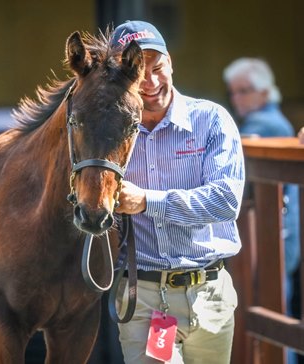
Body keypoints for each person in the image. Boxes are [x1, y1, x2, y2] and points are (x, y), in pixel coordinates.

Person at [111, 20, 245, 364]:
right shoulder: (109, 134)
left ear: (171, 62)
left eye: (158, 67)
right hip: (144, 296)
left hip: (211, 293)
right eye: (139, 75)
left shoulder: (212, 120)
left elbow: (226, 201)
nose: (152, 83)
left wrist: (146, 202)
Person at [223, 57, 300, 364]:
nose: (237, 99)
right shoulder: (271, 120)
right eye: (233, 92)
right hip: (279, 240)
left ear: (266, 92)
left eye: (244, 91)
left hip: (273, 242)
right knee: (276, 324)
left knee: (274, 329)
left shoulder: (264, 125)